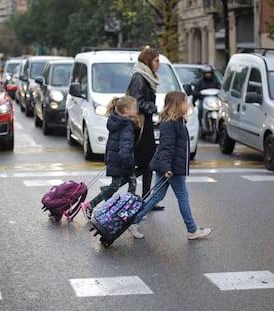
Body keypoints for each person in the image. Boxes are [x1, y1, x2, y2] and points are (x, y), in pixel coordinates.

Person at [128, 91, 212, 240]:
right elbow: (166, 148)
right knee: (182, 196)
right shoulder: (170, 124)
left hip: (170, 166)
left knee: (157, 196)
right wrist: (167, 168)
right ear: (177, 105)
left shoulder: (177, 121)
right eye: (185, 102)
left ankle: (134, 220)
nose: (187, 105)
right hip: (171, 168)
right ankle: (192, 229)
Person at [81, 95, 138, 220]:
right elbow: (125, 146)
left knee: (126, 183)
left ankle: (122, 208)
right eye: (134, 108)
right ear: (126, 110)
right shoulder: (126, 125)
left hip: (115, 159)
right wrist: (128, 164)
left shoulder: (116, 121)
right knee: (125, 184)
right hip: (121, 161)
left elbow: (111, 143)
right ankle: (93, 205)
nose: (136, 110)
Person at [126, 47, 164, 211]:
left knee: (148, 163)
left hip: (145, 124)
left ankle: (146, 199)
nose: (159, 64)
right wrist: (153, 108)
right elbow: (136, 102)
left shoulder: (146, 77)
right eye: (156, 60)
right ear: (148, 61)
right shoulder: (139, 78)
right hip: (140, 125)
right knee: (144, 163)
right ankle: (114, 188)